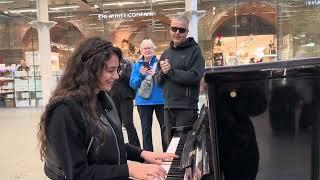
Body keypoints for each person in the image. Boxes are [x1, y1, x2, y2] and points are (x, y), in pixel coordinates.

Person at [37, 37, 177, 180]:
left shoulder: (100, 97)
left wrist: (142, 154)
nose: (116, 76)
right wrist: (129, 169)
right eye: (110, 70)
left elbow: (108, 143)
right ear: (90, 70)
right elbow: (78, 174)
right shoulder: (64, 111)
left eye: (117, 70)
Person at [155, 14, 205, 148]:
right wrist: (163, 73)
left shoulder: (195, 51)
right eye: (174, 28)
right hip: (168, 108)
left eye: (181, 30)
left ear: (187, 32)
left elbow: (195, 76)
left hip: (186, 108)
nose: (177, 32)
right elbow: (158, 81)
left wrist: (171, 72)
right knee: (170, 147)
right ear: (170, 30)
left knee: (185, 149)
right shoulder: (166, 53)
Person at [130, 39, 167, 152]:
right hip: (143, 102)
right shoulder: (137, 66)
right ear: (141, 51)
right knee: (146, 131)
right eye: (145, 48)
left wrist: (156, 75)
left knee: (165, 129)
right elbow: (132, 84)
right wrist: (141, 75)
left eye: (149, 48)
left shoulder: (160, 63)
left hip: (160, 100)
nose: (147, 50)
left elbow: (166, 81)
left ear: (153, 49)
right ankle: (149, 156)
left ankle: (167, 153)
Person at [109, 57, 141, 148]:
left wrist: (122, 74)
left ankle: (135, 148)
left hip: (126, 97)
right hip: (114, 96)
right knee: (116, 124)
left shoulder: (127, 64)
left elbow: (131, 80)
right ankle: (119, 147)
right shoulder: (110, 64)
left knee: (128, 124)